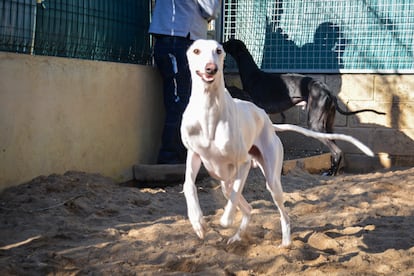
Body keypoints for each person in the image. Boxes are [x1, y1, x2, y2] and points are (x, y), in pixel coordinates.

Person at [149, 0, 221, 164]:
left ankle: (180, 155)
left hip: (168, 36)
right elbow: (209, 9)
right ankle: (170, 157)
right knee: (181, 102)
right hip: (181, 39)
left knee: (179, 100)